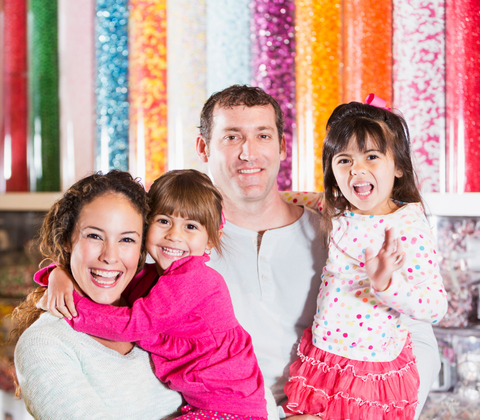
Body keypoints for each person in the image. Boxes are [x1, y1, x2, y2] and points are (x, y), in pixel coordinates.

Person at [195, 85, 442, 419]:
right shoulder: (180, 244)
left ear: (283, 146)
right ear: (203, 148)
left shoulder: (338, 228)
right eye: (232, 137)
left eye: (263, 136)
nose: (248, 153)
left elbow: (417, 333)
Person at [36, 169, 269, 420]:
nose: (175, 235)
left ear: (212, 240)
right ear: (146, 227)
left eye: (190, 226)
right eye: (164, 221)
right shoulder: (149, 277)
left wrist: (73, 309)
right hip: (206, 405)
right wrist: (58, 274)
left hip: (229, 409)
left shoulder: (196, 279)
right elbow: (104, 276)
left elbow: (132, 324)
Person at [282, 96, 448, 419]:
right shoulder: (337, 209)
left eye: (371, 156)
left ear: (399, 167)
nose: (357, 169)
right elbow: (293, 200)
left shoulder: (407, 226)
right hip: (324, 359)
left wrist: (387, 284)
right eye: (344, 160)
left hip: (370, 373)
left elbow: (436, 306)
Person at [12, 171, 183, 420]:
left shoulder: (159, 309)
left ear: (142, 247)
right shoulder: (45, 344)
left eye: (126, 239)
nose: (110, 256)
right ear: (67, 239)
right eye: (94, 236)